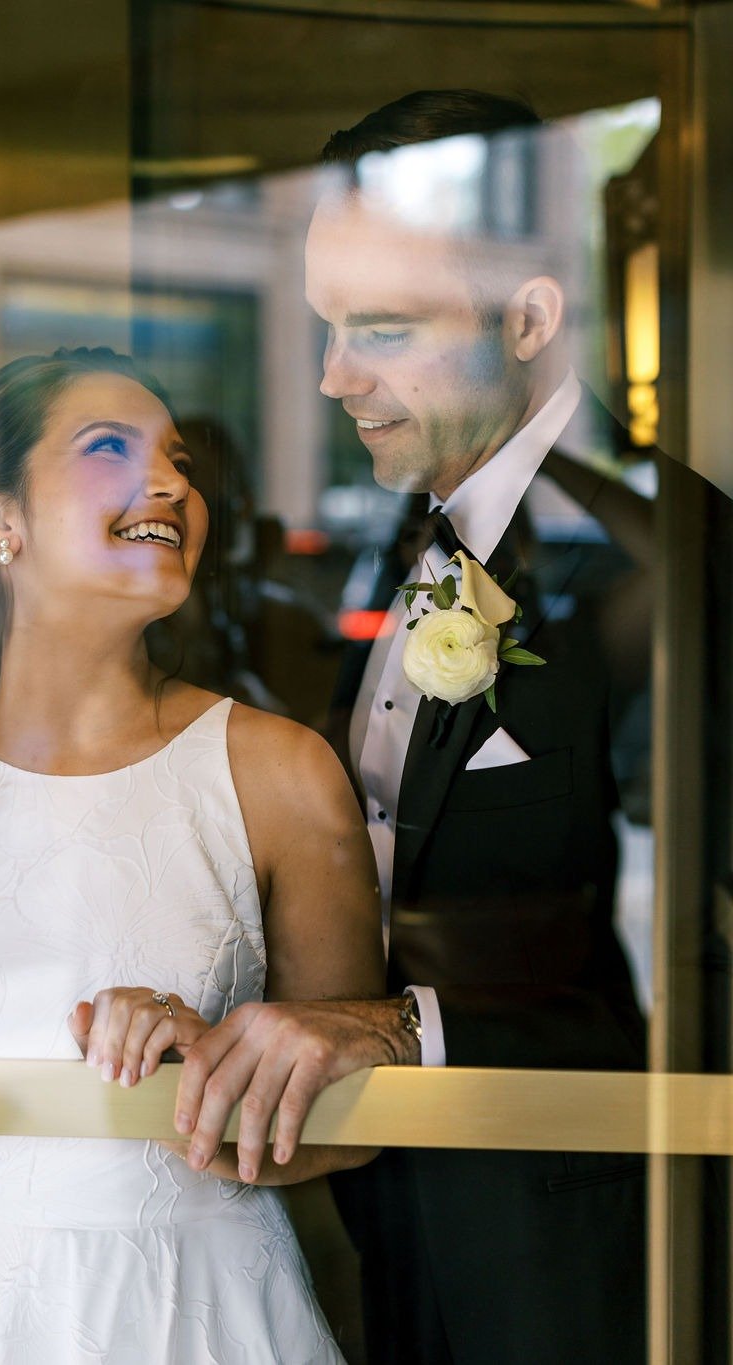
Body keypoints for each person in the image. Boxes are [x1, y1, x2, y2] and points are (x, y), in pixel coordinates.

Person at [167, 91, 721, 1365]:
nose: (329, 377)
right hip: (394, 1210)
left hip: (581, 1250)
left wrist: (414, 1030)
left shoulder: (660, 561)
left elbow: (697, 962)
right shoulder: (402, 545)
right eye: (325, 327)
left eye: (382, 328)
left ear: (528, 318)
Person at [0, 348, 385, 1363]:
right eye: (108, 449)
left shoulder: (282, 775)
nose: (173, 483)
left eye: (178, 459)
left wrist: (210, 1062)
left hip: (207, 1309)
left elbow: (357, 1124)